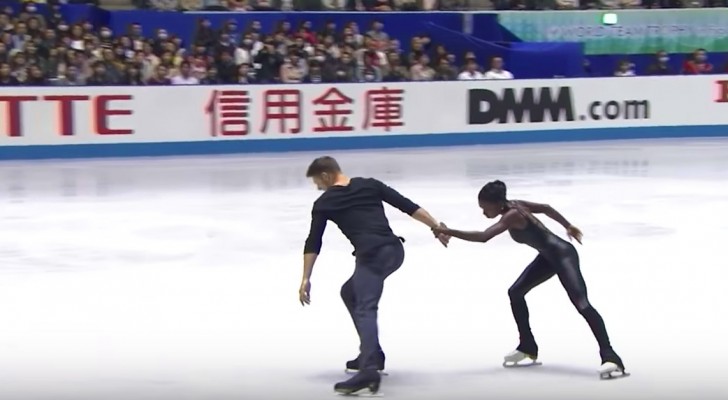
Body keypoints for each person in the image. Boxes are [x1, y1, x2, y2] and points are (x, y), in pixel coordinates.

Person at [432, 180, 628, 380]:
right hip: (547, 257)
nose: (483, 213)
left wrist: (449, 232)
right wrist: (567, 225)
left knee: (582, 304)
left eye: (485, 208)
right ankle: (527, 346)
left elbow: (484, 237)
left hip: (563, 255)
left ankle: (611, 357)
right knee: (515, 292)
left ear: (498, 203)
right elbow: (546, 208)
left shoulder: (512, 214)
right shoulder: (514, 205)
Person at [299, 156, 449, 395]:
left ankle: (368, 370)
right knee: (350, 292)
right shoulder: (370, 184)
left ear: (326, 176)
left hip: (371, 256)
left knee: (365, 306)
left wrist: (306, 278)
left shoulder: (324, 202)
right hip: (394, 252)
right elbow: (408, 206)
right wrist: (436, 226)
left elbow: (313, 241)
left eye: (318, 182)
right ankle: (373, 354)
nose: (318, 188)